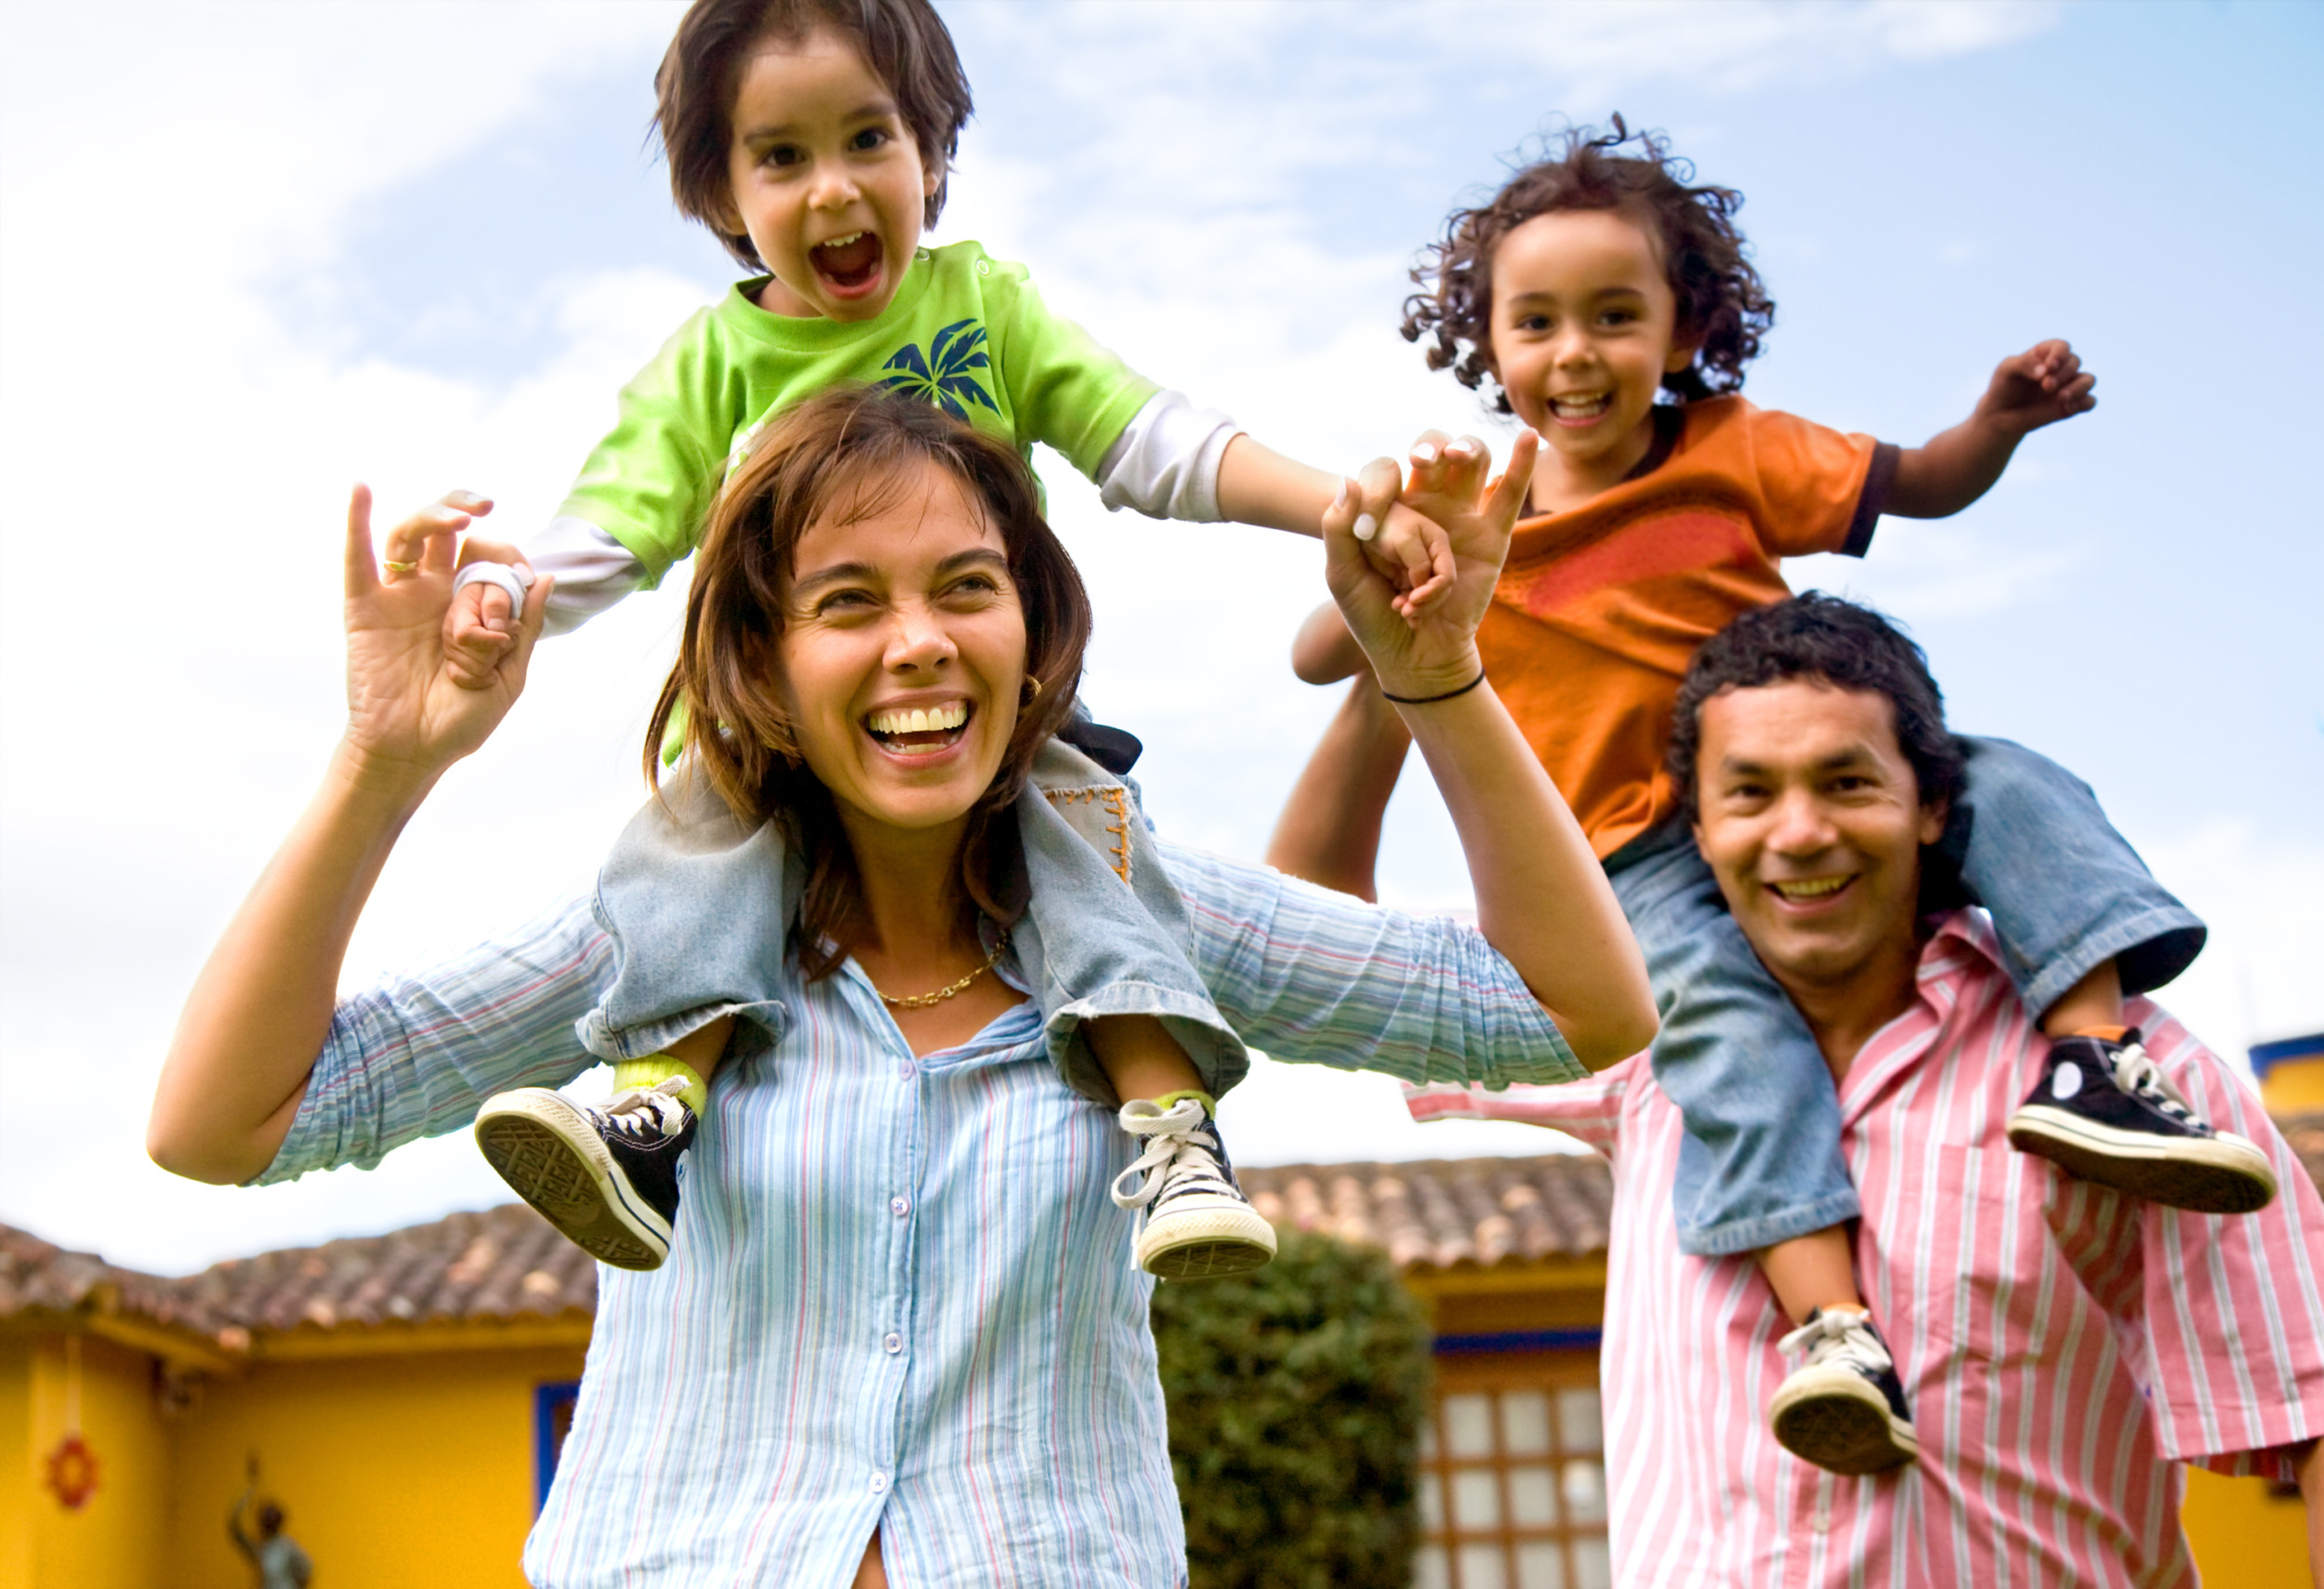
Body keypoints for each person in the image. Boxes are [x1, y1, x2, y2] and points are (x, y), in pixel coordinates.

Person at [147, 387, 1656, 1586]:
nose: (919, 641)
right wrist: (382, 764)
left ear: (1033, 626)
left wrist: (1438, 673)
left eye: (967, 586)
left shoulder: (1146, 902)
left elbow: (1569, 1007)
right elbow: (224, 1121)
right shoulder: (657, 933)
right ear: (767, 657)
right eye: (849, 599)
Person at [1269, 117, 2273, 1472]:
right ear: (1488, 344)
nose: (1576, 355)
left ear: (1682, 331)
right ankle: (1832, 1326)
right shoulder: (1492, 518)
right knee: (1726, 1034)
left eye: (1615, 317)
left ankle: (2094, 1055)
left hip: (1802, 775)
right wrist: (1414, 557)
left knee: (2018, 784)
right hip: (1635, 854)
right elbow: (1324, 648)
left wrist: (1997, 425)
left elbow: (1917, 484)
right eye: (1538, 323)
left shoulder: (1734, 449)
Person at [436, 0, 1461, 1279]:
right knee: (692, 860)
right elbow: (622, 520)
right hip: (773, 737)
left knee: (1088, 842)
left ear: (932, 151)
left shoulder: (983, 303)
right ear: (721, 192)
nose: (835, 189)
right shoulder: (713, 362)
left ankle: (1174, 1129)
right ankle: (653, 1112)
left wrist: (1339, 505)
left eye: (870, 137)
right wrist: (513, 586)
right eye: (781, 157)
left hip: (985, 730)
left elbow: (1149, 438)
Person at [1410, 594, 2324, 1583]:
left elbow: (2311, 1411)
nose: (1800, 833)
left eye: (1846, 782)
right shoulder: (1634, 1038)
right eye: (1750, 792)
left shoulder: (2147, 1089)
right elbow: (1309, 932)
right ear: (1699, 830)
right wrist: (1400, 660)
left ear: (1935, 804)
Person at [229, 1460, 313, 1589]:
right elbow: (234, 1525)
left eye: (271, 1519)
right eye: (265, 1519)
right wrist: (251, 1488)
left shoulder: (288, 1546)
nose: (267, 1522)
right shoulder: (259, 1549)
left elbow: (307, 1568)